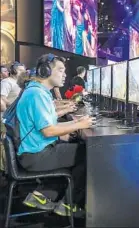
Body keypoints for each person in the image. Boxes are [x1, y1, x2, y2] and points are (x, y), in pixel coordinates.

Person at [16, 54, 94, 216]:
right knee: (88, 154)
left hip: (34, 151)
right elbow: (49, 131)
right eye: (60, 70)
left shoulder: (37, 91)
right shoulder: (36, 94)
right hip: (35, 155)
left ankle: (43, 195)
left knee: (78, 147)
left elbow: (51, 125)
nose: (64, 74)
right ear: (45, 71)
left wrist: (75, 124)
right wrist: (79, 124)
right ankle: (67, 205)